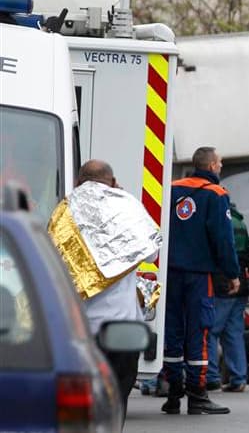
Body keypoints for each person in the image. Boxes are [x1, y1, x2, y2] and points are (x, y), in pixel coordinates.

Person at [48, 159, 161, 420]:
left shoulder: (63, 211)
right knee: (116, 403)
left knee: (77, 405)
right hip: (123, 328)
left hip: (79, 329)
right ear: (112, 180)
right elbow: (152, 254)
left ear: (78, 182)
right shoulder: (126, 206)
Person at [163, 146, 240, 415]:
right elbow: (223, 239)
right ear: (210, 166)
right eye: (219, 163)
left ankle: (172, 392)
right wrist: (232, 273)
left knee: (172, 330)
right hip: (198, 276)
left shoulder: (170, 188)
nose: (221, 167)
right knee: (199, 330)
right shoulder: (216, 194)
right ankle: (197, 394)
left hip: (169, 272)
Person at [207, 203, 249, 392]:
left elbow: (221, 252)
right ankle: (238, 377)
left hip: (223, 283)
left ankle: (211, 376)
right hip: (241, 283)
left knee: (210, 331)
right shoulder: (240, 223)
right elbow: (247, 254)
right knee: (233, 333)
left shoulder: (222, 221)